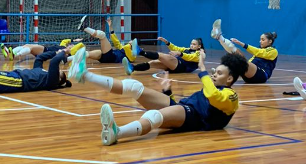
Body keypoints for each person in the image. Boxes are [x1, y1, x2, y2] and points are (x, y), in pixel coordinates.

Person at [67, 48, 248, 145]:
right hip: (187, 112)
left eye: (219, 73)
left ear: (230, 79)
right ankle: (84, 75)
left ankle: (117, 133)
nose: (214, 75)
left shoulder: (231, 96)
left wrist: (202, 69)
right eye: (214, 72)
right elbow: (192, 105)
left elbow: (212, 96)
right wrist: (168, 92)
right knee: (135, 87)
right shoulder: (214, 89)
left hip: (194, 118)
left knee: (154, 116)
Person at [210, 19, 278, 83]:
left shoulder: (273, 51)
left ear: (270, 41)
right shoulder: (260, 50)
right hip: (249, 75)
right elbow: (251, 61)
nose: (260, 41)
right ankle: (219, 38)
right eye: (260, 39)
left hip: (261, 75)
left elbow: (259, 52)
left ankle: (220, 37)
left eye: (263, 40)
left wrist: (242, 44)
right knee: (237, 55)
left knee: (241, 60)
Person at [124, 36, 203, 75]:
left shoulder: (200, 53)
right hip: (176, 65)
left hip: (181, 66)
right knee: (152, 63)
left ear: (199, 46)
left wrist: (180, 54)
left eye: (194, 44)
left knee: (161, 55)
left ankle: (139, 51)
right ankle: (132, 68)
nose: (191, 45)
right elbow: (176, 48)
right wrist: (167, 42)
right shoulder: (187, 49)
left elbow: (190, 57)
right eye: (191, 43)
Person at [0, 38, 84, 62]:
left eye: (72, 46)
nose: (71, 45)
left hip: (45, 51)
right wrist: (74, 40)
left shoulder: (69, 51)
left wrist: (78, 44)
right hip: (44, 50)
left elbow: (80, 45)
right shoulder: (62, 46)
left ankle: (14, 54)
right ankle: (10, 54)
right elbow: (65, 41)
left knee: (30, 47)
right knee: (26, 45)